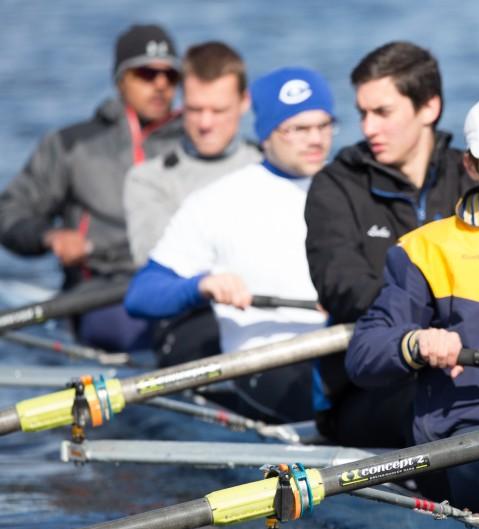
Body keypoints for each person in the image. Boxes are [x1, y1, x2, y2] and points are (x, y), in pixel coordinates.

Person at [345, 92, 479, 511]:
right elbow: (362, 355)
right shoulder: (426, 249)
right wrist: (416, 343)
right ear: (470, 166)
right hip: (472, 438)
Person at [124, 67, 332, 422]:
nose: (315, 140)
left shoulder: (351, 186)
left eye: (324, 126)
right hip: (265, 361)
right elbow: (141, 295)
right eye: (298, 129)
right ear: (266, 132)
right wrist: (201, 286)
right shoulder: (219, 201)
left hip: (343, 346)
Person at [304, 41, 474, 446]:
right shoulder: (336, 185)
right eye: (363, 113)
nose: (367, 128)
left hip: (466, 361)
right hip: (365, 385)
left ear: (429, 108)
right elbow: (341, 286)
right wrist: (434, 328)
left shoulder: (471, 179)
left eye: (382, 112)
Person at [0, 24, 184, 351]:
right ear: (120, 79)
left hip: (181, 287)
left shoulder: (194, 145)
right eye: (146, 73)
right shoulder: (72, 146)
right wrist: (50, 237)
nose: (159, 85)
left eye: (170, 76)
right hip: (102, 292)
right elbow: (9, 212)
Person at [124, 41, 261, 367]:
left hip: (265, 310)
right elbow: (160, 267)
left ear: (244, 103)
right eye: (196, 109)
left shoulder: (268, 166)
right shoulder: (148, 179)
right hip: (186, 317)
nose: (205, 123)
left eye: (218, 110)